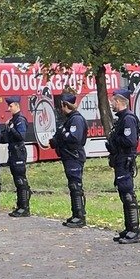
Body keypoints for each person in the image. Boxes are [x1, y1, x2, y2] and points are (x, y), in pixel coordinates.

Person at [106, 88, 140, 244]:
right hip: (119, 160)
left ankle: (134, 229)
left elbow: (130, 141)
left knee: (128, 194)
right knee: (123, 193)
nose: (111, 104)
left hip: (125, 160)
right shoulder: (121, 118)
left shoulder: (128, 119)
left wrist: (114, 141)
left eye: (112, 101)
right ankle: (128, 227)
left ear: (119, 102)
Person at [49, 88, 87, 228]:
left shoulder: (76, 119)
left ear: (66, 105)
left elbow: (74, 138)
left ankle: (80, 216)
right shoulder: (68, 119)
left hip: (74, 156)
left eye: (62, 106)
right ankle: (76, 213)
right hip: (68, 156)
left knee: (76, 186)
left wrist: (62, 134)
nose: (61, 109)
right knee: (72, 186)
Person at [2, 96, 31, 217]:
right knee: (17, 180)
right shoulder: (13, 120)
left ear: (17, 106)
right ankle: (20, 205)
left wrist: (12, 128)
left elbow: (21, 136)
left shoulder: (20, 120)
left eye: (11, 106)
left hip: (19, 152)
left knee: (21, 180)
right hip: (13, 153)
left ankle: (24, 207)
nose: (9, 108)